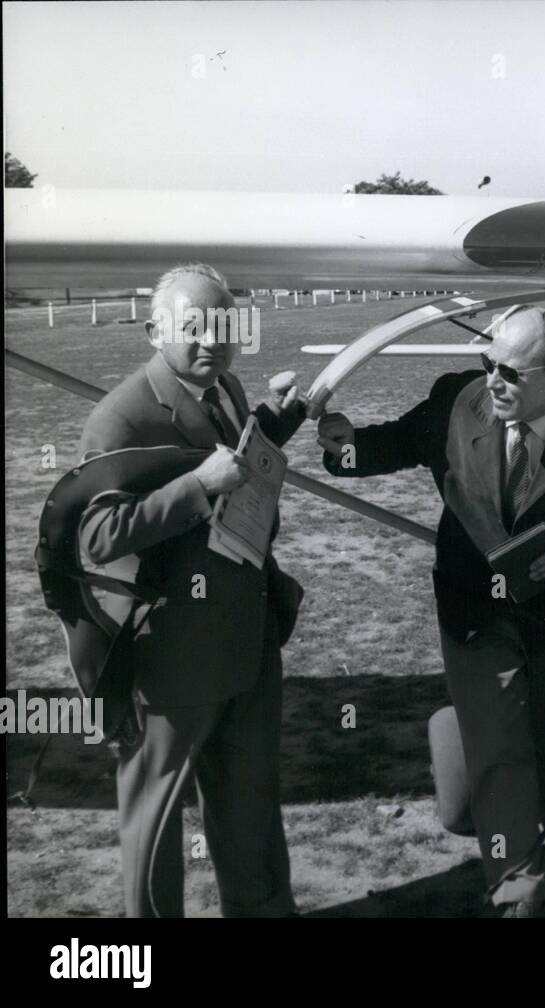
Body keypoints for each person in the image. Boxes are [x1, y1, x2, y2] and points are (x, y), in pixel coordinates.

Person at [317, 306, 545, 917]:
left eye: (512, 374)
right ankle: (517, 882)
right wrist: (346, 449)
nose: (494, 380)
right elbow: (389, 446)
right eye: (489, 364)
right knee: (496, 746)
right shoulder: (453, 401)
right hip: (475, 607)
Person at [77, 263, 306, 917]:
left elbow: (231, 455)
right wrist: (197, 487)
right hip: (172, 655)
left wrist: (274, 421)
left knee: (249, 798)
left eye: (224, 327)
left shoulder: (225, 386)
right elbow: (96, 536)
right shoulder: (122, 417)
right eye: (193, 328)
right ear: (154, 331)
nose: (211, 342)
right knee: (154, 818)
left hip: (246, 636)